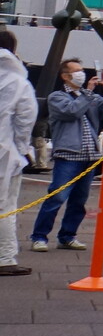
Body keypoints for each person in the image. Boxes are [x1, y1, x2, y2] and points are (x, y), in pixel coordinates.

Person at [29, 59, 103, 253]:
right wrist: (88, 92)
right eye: (76, 71)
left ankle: (68, 236)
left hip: (89, 156)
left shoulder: (90, 97)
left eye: (81, 71)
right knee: (57, 197)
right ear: (65, 76)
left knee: (79, 201)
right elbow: (72, 111)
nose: (81, 74)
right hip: (68, 156)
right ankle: (39, 236)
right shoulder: (57, 97)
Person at [0, 30, 34, 276]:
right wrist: (23, 150)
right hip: (4, 153)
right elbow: (25, 120)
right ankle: (4, 258)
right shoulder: (18, 81)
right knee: (5, 206)